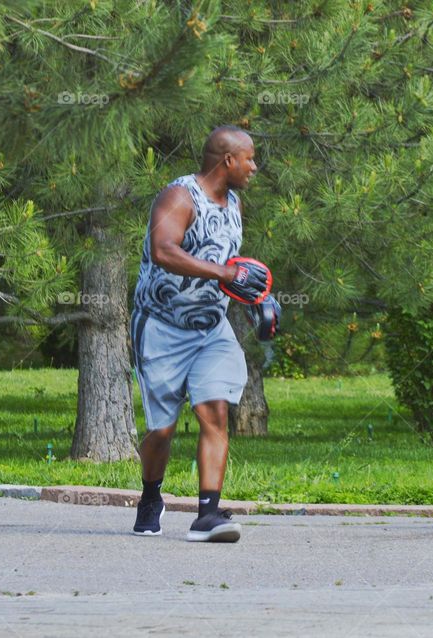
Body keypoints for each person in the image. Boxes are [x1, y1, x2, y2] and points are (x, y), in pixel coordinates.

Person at [130, 125, 267, 543]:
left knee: (215, 412)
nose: (254, 167)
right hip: (161, 327)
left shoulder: (234, 204)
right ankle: (150, 496)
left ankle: (207, 515)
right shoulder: (179, 197)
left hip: (211, 329)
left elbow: (230, 266)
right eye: (249, 159)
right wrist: (224, 273)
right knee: (162, 429)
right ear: (228, 160)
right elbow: (163, 250)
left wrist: (258, 299)